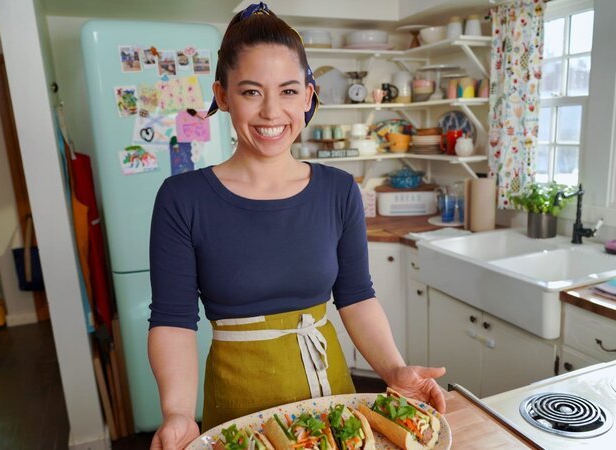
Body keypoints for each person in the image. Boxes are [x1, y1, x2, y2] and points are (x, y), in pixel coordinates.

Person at [148, 4, 446, 449]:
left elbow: (357, 297)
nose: (272, 112)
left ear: (307, 97)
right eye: (251, 92)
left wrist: (393, 370)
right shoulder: (182, 199)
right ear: (223, 95)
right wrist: (176, 413)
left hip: (332, 401)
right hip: (237, 409)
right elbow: (173, 321)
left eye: (288, 91)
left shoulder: (339, 191)